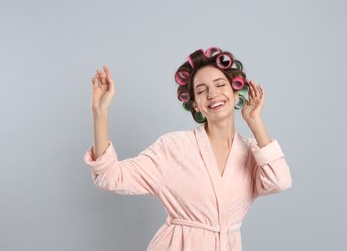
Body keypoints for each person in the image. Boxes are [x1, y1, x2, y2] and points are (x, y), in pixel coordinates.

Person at [83, 47, 292, 250]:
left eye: (220, 85)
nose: (212, 94)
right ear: (195, 105)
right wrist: (100, 112)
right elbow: (110, 177)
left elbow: (279, 181)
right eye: (201, 90)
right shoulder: (172, 147)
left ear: (236, 93)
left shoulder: (253, 152)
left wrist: (255, 122)